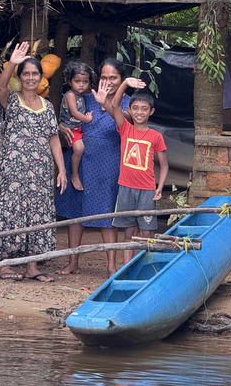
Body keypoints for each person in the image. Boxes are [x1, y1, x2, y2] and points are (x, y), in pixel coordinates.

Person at [0, 41, 67, 283]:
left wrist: (61, 170)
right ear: (20, 78)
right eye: (26, 74)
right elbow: (0, 86)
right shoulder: (12, 101)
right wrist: (12, 63)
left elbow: (53, 140)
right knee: (10, 214)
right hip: (14, 170)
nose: (31, 78)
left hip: (40, 173)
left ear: (41, 77)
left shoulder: (48, 107)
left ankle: (32, 267)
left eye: (35, 74)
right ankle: (5, 266)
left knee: (38, 216)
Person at [55, 58, 130, 276]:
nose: (108, 82)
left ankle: (111, 266)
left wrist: (106, 101)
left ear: (122, 79)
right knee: (75, 213)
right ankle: (72, 263)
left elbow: (123, 122)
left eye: (113, 78)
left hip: (109, 162)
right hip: (80, 159)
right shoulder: (84, 98)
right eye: (104, 77)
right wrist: (61, 126)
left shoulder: (127, 102)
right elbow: (66, 117)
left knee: (108, 215)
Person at [97, 76, 168, 265]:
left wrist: (159, 187)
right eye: (135, 108)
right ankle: (126, 268)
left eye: (144, 109)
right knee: (129, 231)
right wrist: (125, 84)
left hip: (147, 190)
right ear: (129, 110)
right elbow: (115, 104)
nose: (139, 112)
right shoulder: (125, 128)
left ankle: (145, 267)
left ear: (151, 112)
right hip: (125, 188)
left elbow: (164, 165)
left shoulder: (155, 136)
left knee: (146, 232)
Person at [59, 61, 94, 191]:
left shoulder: (80, 96)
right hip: (71, 129)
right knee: (79, 149)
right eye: (77, 81)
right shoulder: (70, 95)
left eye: (85, 82)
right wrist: (87, 119)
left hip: (77, 128)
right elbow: (74, 112)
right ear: (70, 81)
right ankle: (74, 175)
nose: (81, 85)